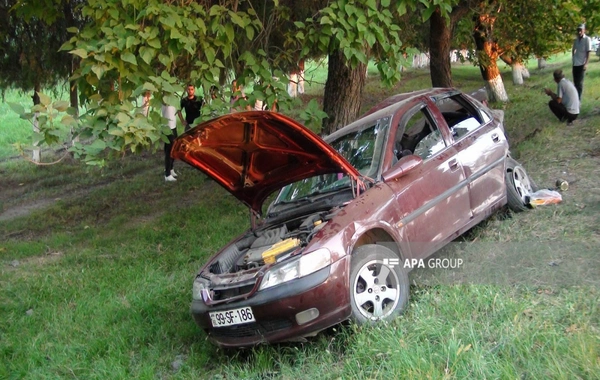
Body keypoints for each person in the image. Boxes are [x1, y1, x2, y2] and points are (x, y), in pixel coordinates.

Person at [572, 24, 592, 100]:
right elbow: (573, 49)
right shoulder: (576, 40)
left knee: (579, 83)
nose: (579, 32)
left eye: (581, 30)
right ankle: (575, 98)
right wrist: (573, 57)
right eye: (578, 30)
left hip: (582, 63)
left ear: (584, 30)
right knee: (575, 82)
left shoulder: (587, 39)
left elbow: (588, 52)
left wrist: (586, 64)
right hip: (575, 63)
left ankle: (578, 99)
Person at [163, 104, 179, 182]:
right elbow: (165, 102)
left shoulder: (172, 96)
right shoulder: (164, 97)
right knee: (169, 150)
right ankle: (167, 174)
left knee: (173, 148)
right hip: (168, 127)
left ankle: (170, 168)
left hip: (173, 126)